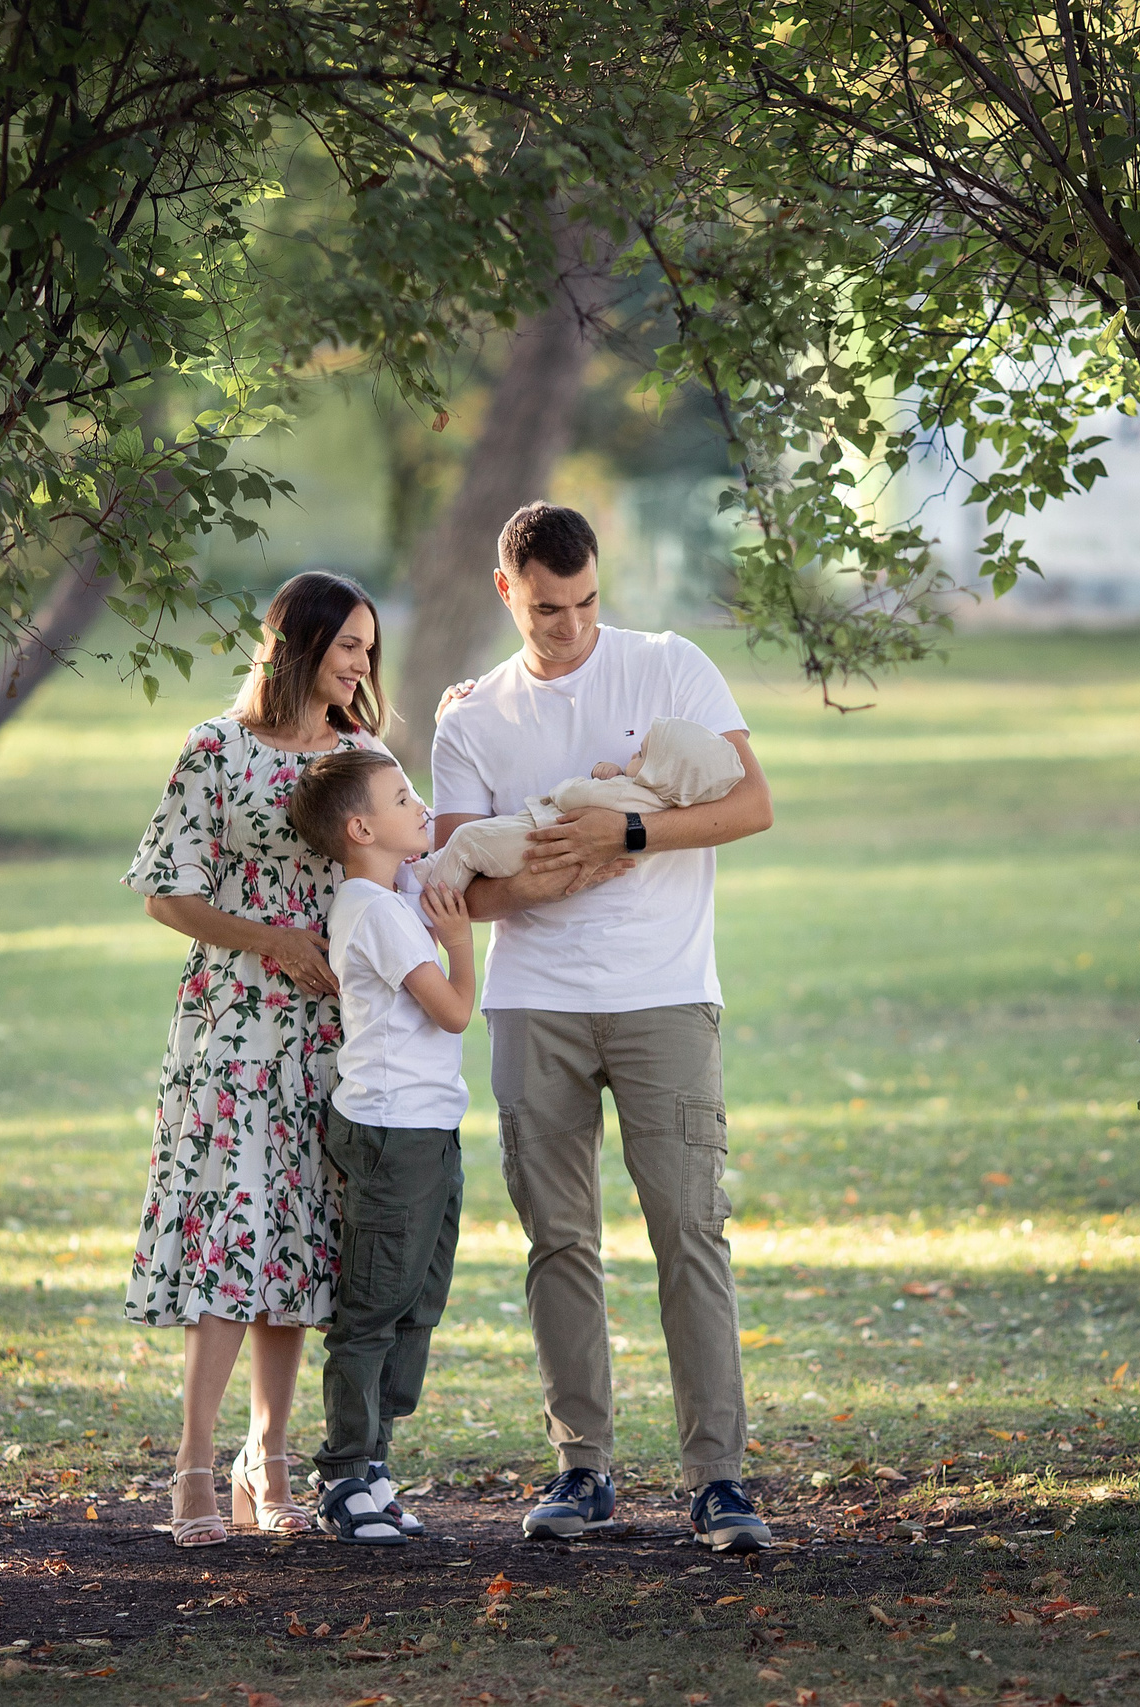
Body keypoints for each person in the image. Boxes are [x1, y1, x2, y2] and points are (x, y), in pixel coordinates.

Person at [431, 501, 777, 1553]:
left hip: (664, 993)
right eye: (546, 611)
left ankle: (717, 1479)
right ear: (508, 593)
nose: (570, 627)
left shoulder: (668, 665)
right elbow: (459, 890)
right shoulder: (470, 719)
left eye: (584, 604)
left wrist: (629, 825)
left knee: (688, 1231)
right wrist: (551, 869)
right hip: (536, 1003)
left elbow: (752, 805)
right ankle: (581, 1468)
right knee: (559, 1241)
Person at [124, 571, 391, 1548]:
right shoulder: (214, 750)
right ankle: (192, 1467)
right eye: (347, 644)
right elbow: (166, 894)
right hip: (233, 1030)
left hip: (329, 1040)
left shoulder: (366, 757)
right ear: (295, 643)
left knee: (295, 1250)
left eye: (370, 647)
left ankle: (266, 1462)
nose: (361, 663)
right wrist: (269, 940)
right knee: (233, 1240)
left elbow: (404, 870)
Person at [286, 749, 474, 1545]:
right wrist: (462, 941)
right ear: (363, 828)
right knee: (376, 1303)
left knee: (417, 1299)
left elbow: (434, 854)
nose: (421, 803)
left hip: (428, 1125)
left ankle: (375, 1465)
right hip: (393, 1129)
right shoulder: (377, 913)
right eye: (404, 797)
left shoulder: (389, 891)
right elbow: (456, 1011)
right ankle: (343, 1472)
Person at [417, 716, 746, 891]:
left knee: (465, 841)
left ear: (659, 774)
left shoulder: (626, 794)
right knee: (467, 851)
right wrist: (621, 774)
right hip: (544, 846)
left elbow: (574, 796)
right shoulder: (655, 803)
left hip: (535, 837)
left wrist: (582, 783)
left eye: (642, 754)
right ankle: (420, 874)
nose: (633, 754)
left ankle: (431, 904)